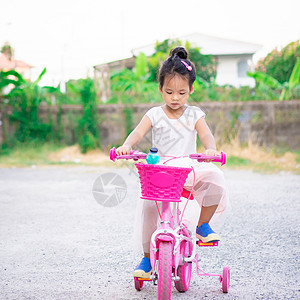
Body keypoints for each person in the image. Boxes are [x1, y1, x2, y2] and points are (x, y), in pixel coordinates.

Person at [115, 47, 228, 279]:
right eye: (169, 92)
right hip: (161, 170)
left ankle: (201, 225)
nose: (175, 98)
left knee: (215, 180)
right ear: (160, 89)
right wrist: (127, 145)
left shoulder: (195, 114)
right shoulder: (155, 114)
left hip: (187, 168)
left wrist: (211, 149)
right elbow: (137, 133)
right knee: (148, 208)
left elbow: (206, 135)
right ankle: (147, 258)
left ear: (191, 90)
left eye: (181, 93)